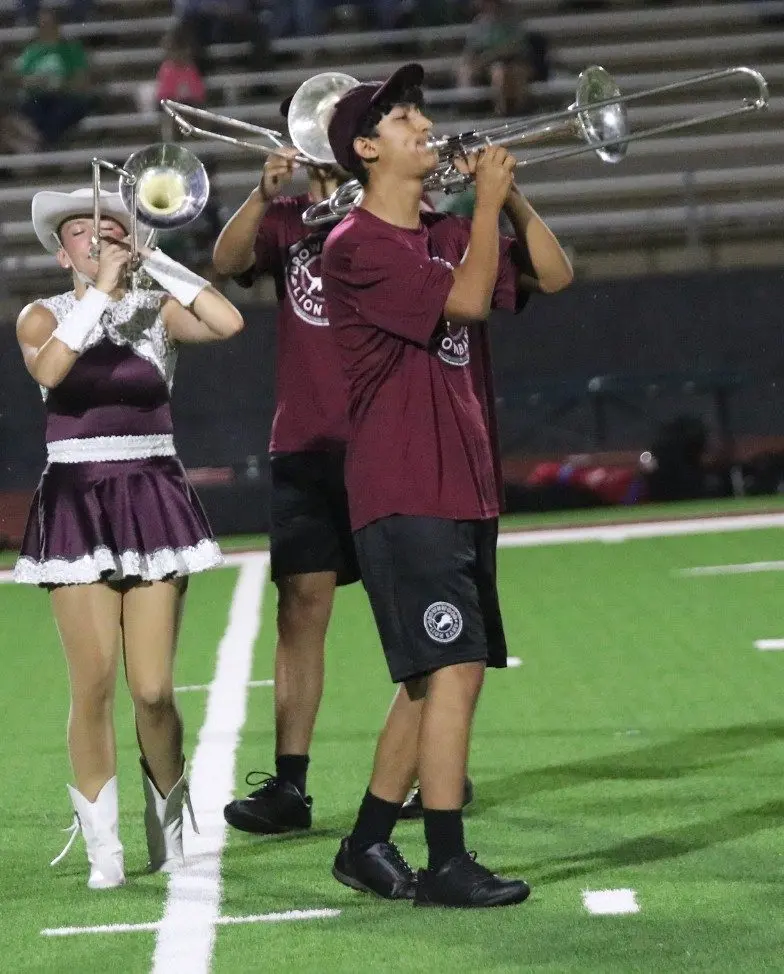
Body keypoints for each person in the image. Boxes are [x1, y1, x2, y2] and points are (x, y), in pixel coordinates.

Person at [321, 63, 573, 907]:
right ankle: (447, 863)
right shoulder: (354, 245)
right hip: (404, 485)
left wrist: (512, 197)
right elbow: (464, 305)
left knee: (431, 678)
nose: (424, 124)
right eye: (401, 118)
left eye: (419, 112)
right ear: (366, 148)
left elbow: (555, 275)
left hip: (461, 484)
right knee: (456, 669)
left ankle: (364, 843)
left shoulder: (444, 230)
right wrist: (486, 206)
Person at [13, 185, 244, 889]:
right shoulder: (41, 315)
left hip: (151, 494)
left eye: (108, 228)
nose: (96, 238)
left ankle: (167, 827)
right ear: (62, 254)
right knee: (94, 684)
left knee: (153, 690)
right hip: (76, 500)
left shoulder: (157, 310)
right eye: (79, 232)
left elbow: (228, 321)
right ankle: (102, 847)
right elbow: (51, 369)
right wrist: (100, 293)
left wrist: (155, 260)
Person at [213, 95, 361, 836]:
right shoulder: (285, 220)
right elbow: (227, 262)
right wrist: (262, 190)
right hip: (303, 442)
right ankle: (291, 789)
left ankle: (431, 760)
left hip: (384, 442)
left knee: (407, 607)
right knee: (300, 609)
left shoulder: (396, 213)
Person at [14, 9, 92, 148]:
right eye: (42, 25)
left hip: (65, 96)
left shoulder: (71, 49)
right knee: (31, 110)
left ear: (57, 26)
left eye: (49, 24)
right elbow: (21, 80)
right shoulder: (31, 51)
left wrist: (60, 84)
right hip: (38, 98)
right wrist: (39, 82)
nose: (46, 29)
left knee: (64, 110)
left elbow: (81, 79)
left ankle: (46, 144)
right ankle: (49, 144)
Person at [457, 0, 549, 116]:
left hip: (515, 61)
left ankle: (520, 110)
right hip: (490, 65)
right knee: (498, 72)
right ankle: (502, 111)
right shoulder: (479, 24)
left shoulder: (512, 22)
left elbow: (516, 47)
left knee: (514, 72)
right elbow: (472, 51)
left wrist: (492, 55)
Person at [156, 30, 206, 142]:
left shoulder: (191, 69)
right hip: (172, 107)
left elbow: (199, 94)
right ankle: (171, 143)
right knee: (171, 118)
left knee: (194, 115)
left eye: (181, 51)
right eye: (175, 51)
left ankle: (195, 140)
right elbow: (163, 95)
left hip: (189, 106)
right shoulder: (167, 69)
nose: (179, 55)